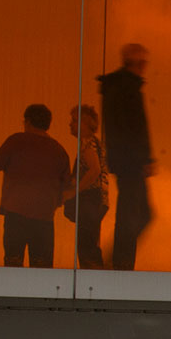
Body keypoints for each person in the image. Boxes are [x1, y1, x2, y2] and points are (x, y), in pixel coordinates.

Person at [0, 103, 71, 268]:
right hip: (44, 218)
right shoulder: (59, 151)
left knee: (13, 263)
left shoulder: (16, 141)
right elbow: (66, 186)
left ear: (28, 121)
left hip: (15, 214)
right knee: (41, 269)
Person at [99, 43, 155, 271]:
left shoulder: (119, 87)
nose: (145, 67)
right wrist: (144, 159)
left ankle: (118, 259)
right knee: (137, 213)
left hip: (126, 161)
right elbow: (133, 127)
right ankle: (119, 261)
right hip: (131, 162)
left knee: (135, 212)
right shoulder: (126, 88)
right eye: (142, 62)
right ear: (134, 62)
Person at [66, 104, 109, 269]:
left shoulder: (88, 144)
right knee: (90, 245)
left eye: (74, 120)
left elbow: (95, 170)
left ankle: (94, 282)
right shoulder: (95, 144)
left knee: (86, 249)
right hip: (96, 201)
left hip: (89, 201)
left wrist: (74, 192)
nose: (70, 124)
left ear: (85, 125)